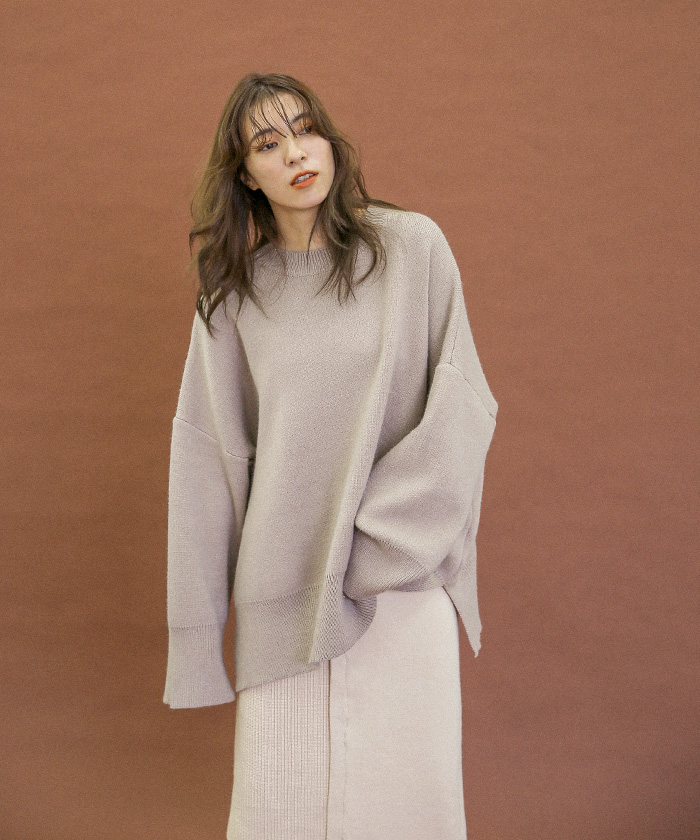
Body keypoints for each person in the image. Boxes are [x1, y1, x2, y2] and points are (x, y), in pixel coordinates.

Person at [163, 71, 499, 840]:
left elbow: (458, 411)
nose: (295, 153)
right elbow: (206, 467)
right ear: (246, 175)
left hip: (399, 586)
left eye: (305, 129)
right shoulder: (232, 300)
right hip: (281, 602)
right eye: (267, 143)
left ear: (329, 140)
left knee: (408, 812)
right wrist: (197, 639)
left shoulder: (412, 250)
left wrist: (377, 550)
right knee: (281, 815)